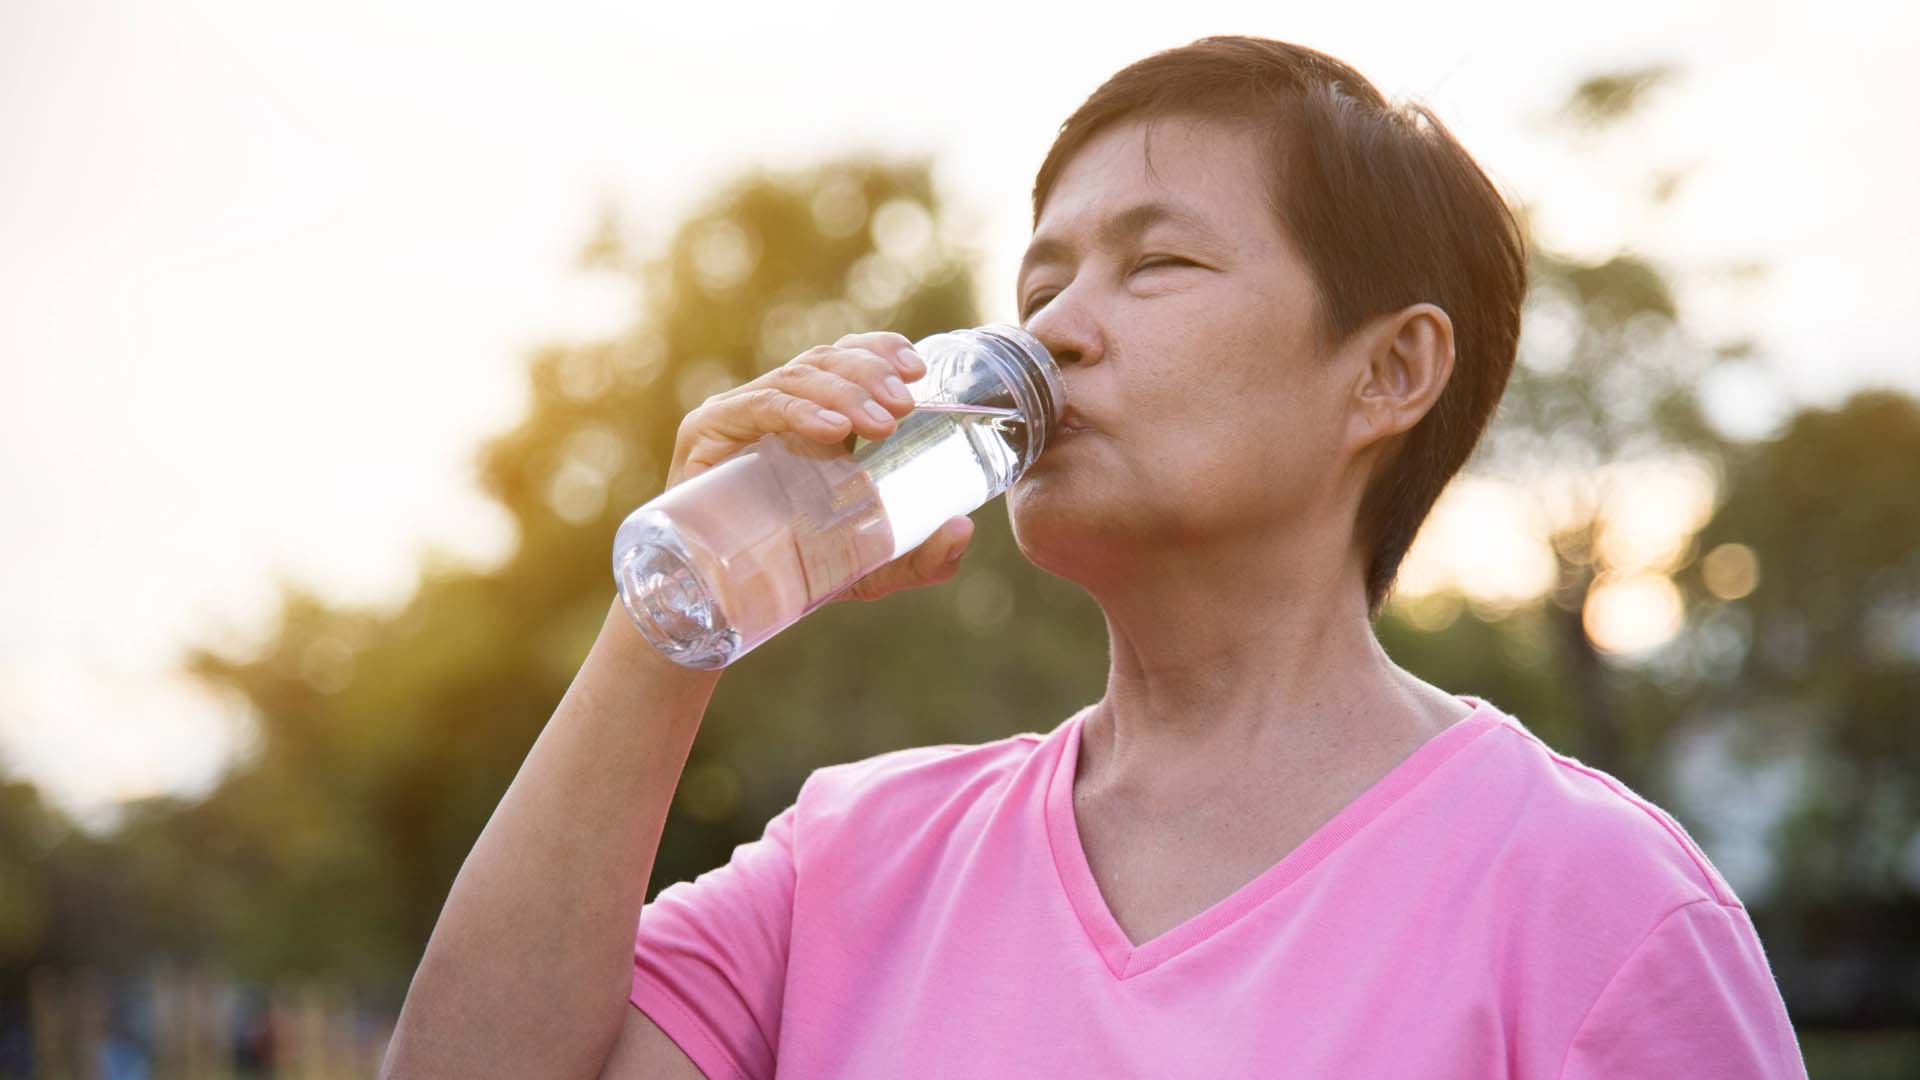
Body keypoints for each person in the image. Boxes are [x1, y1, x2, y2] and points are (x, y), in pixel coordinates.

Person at [383, 36, 1809, 1079]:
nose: (1053, 332)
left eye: (1158, 263)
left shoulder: (1596, 906)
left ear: (1389, 373)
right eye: (1041, 279)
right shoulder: (857, 866)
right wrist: (677, 606)